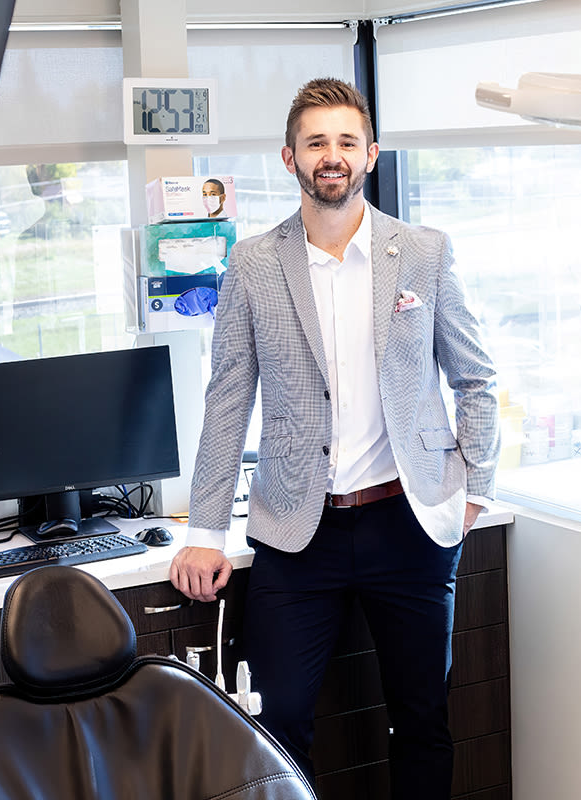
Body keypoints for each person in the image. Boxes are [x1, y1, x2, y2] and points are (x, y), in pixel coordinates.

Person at [169, 77, 500, 799]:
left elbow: (475, 379)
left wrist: (475, 490)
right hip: (297, 529)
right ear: (289, 158)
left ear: (371, 154)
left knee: (422, 717)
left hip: (410, 523)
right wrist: (202, 528)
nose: (332, 156)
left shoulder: (423, 254)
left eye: (346, 142)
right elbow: (228, 399)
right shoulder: (253, 265)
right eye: (316, 142)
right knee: (276, 724)